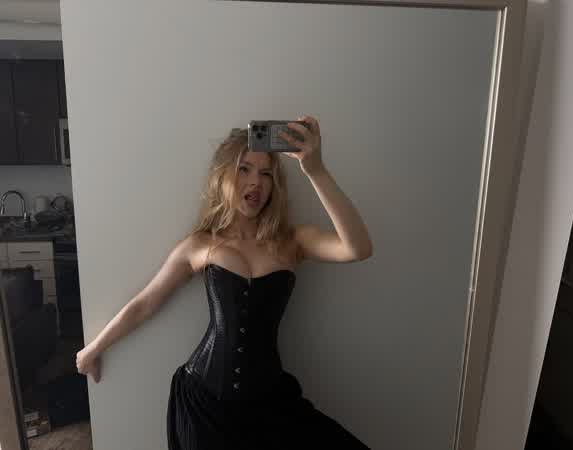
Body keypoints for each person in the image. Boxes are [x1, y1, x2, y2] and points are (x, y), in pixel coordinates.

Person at [75, 115, 373, 449]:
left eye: (266, 174)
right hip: (204, 406)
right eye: (244, 169)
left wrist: (314, 168)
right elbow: (145, 303)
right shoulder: (200, 245)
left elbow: (358, 248)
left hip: (271, 408)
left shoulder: (292, 241)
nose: (255, 182)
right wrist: (93, 349)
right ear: (224, 175)